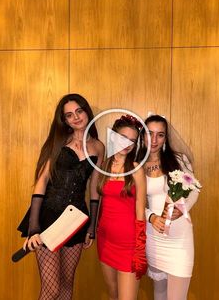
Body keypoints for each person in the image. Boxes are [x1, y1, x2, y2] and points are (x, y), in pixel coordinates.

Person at [17, 93, 104, 299]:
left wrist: (92, 226)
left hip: (76, 220)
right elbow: (42, 181)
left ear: (86, 111)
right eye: (69, 115)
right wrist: (34, 226)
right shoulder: (59, 141)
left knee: (66, 285)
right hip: (49, 216)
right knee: (51, 290)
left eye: (79, 111)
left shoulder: (98, 147)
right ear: (64, 120)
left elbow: (94, 188)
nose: (76, 117)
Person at [137, 114, 199, 300]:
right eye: (149, 133)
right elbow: (134, 202)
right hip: (153, 236)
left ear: (166, 138)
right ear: (142, 136)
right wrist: (151, 217)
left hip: (179, 238)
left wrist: (183, 209)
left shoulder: (178, 160)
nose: (154, 140)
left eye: (160, 135)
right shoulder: (135, 165)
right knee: (160, 292)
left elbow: (195, 190)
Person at [96, 115, 147, 300]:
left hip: (128, 245)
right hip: (105, 240)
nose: (128, 144)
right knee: (113, 294)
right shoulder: (104, 166)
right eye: (124, 138)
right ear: (113, 136)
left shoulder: (136, 169)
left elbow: (141, 210)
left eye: (133, 141)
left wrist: (140, 247)